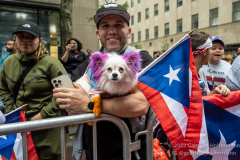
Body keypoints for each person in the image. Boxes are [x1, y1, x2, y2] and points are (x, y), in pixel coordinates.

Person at [53, 3, 153, 160]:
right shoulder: (85, 67)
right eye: (105, 26)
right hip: (94, 149)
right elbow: (69, 106)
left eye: (118, 25)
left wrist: (88, 104)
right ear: (98, 34)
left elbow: (140, 105)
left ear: (129, 32)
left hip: (133, 151)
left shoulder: (140, 59)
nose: (112, 31)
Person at [0, 21, 67, 160]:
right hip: (19, 129)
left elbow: (65, 91)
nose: (25, 40)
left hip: (47, 129)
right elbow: (3, 88)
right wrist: (14, 112)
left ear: (40, 41)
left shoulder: (51, 63)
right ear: (15, 40)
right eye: (21, 36)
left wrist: (41, 116)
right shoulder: (8, 62)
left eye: (31, 37)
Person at [190, 31, 230, 96]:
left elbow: (204, 97)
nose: (217, 51)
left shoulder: (201, 71)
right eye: (212, 48)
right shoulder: (184, 73)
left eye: (220, 48)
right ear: (205, 52)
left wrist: (214, 92)